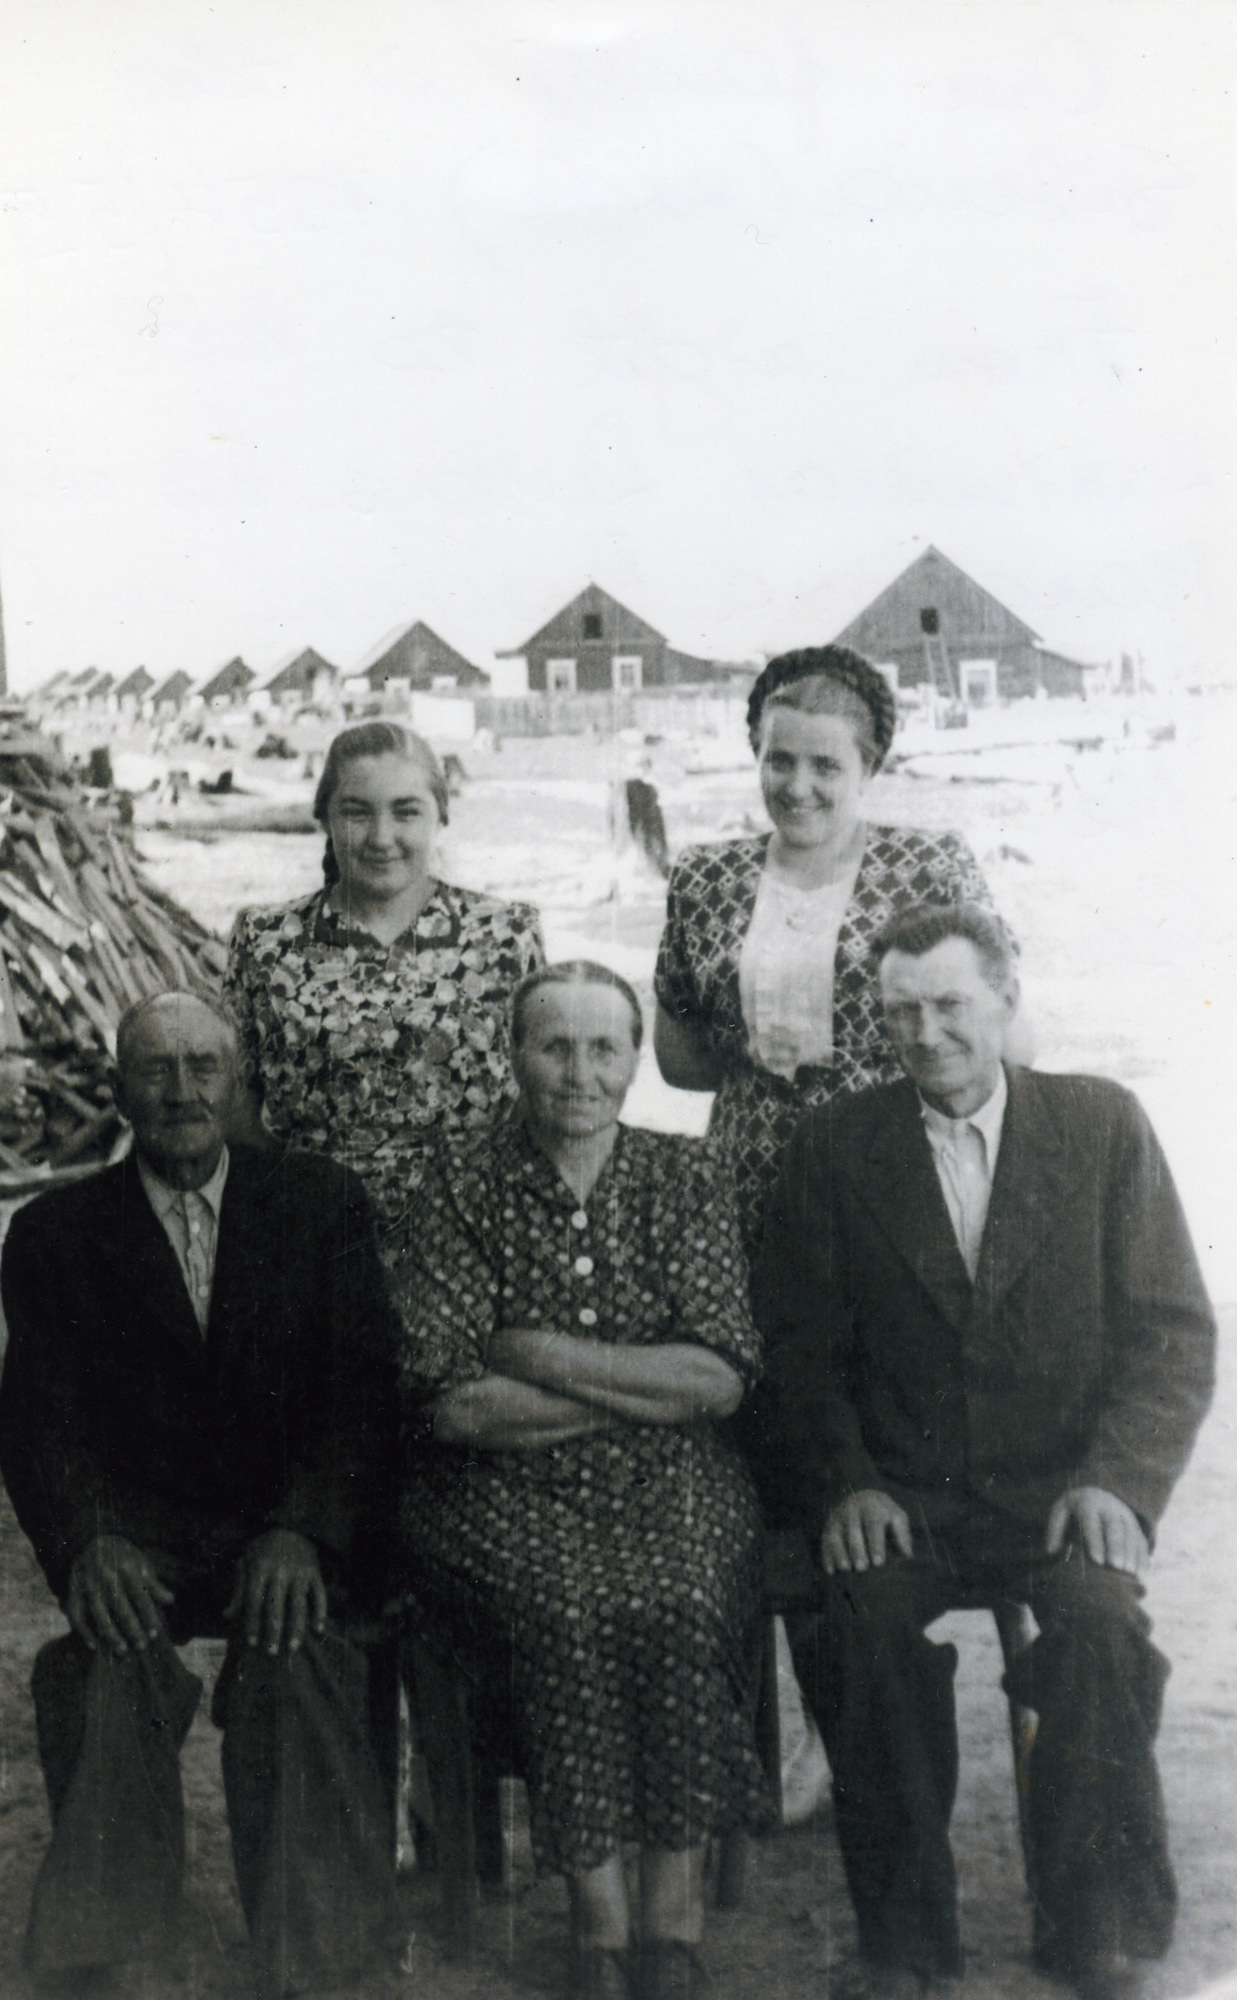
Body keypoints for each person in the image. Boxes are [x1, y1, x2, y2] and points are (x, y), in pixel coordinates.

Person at [750, 904, 1216, 2000]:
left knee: (1099, 1619)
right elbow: (795, 1348)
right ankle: (904, 1941)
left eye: (949, 1003)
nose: (925, 1032)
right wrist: (846, 1484)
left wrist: (1118, 1480)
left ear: (1005, 999)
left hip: (1059, 1489)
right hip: (903, 1494)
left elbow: (1171, 1332)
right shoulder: (835, 1144)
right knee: (855, 1619)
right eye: (899, 1011)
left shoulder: (1101, 1125)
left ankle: (1089, 1920)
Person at [0, 992, 402, 2000]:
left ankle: (315, 1955)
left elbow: (362, 1393)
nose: (180, 1090)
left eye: (202, 1066)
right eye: (155, 1069)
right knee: (101, 1668)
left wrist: (304, 1527)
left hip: (280, 1527)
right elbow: (37, 1418)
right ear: (120, 1086)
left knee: (296, 1652)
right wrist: (88, 1537)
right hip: (142, 1535)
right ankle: (112, 1950)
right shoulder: (55, 1232)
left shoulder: (318, 1204)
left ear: (238, 1078)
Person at [397, 962, 768, 2000]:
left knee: (683, 1596)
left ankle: (672, 1922)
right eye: (552, 1044)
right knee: (565, 1602)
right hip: (496, 1485)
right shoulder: (456, 1181)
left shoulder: (682, 1178)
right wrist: (640, 1386)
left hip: (674, 1479)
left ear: (635, 1055)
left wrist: (540, 1353)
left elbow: (719, 1376)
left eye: (603, 1046)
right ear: (510, 1054)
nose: (579, 1070)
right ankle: (599, 1930)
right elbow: (452, 1400)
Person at [653, 645, 1004, 1259]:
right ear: (756, 758)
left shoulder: (931, 868)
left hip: (898, 1173)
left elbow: (1003, 1038)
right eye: (779, 761)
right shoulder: (704, 877)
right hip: (748, 1182)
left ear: (868, 769)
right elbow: (679, 1059)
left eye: (826, 766)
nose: (799, 786)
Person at [221, 720, 544, 1251]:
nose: (381, 837)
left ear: (442, 814)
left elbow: (539, 1101)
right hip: (312, 1241)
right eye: (356, 811)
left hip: (474, 1240)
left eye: (406, 811)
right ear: (324, 818)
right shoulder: (265, 939)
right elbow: (236, 1105)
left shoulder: (506, 935)